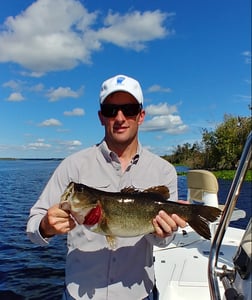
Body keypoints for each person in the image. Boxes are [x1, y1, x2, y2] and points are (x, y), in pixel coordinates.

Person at [26, 74, 186, 300]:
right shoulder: (73, 166)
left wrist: (165, 232)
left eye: (129, 109)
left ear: (141, 116)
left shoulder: (164, 171)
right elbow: (33, 227)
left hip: (139, 294)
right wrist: (45, 226)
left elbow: (163, 241)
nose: (120, 117)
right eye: (111, 110)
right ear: (101, 117)